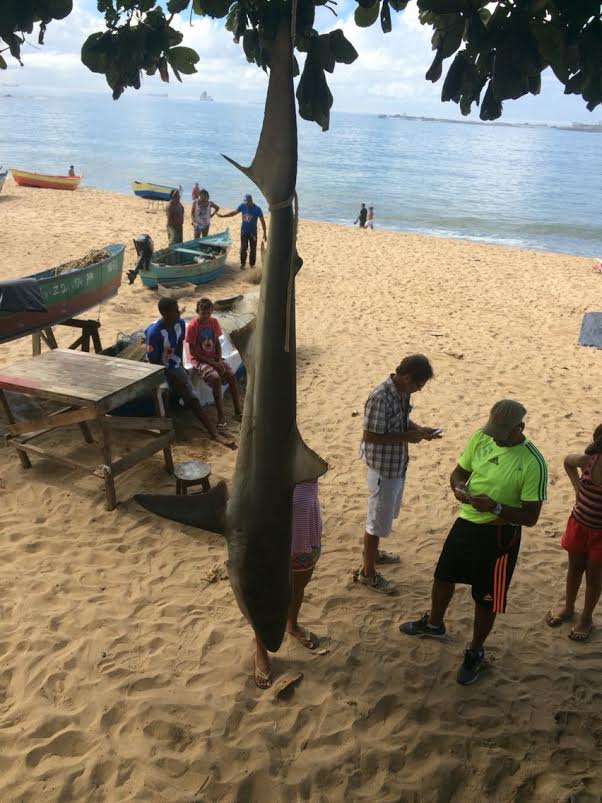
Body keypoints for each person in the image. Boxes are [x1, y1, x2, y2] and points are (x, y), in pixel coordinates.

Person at [400, 400, 548, 686]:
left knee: (487, 596)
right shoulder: (482, 437)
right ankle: (434, 623)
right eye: (493, 431)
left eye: (502, 433)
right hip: (466, 522)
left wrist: (495, 508)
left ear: (520, 428)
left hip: (500, 536)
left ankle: (476, 649)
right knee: (443, 576)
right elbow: (459, 472)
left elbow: (530, 517)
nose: (495, 437)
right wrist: (457, 488)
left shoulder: (533, 462)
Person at [356, 354, 441, 594]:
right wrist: (407, 437)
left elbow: (399, 420)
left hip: (397, 464)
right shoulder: (380, 397)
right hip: (383, 467)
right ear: (405, 377)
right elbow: (370, 436)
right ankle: (368, 573)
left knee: (382, 518)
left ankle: (372, 555)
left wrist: (419, 429)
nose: (418, 390)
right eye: (417, 385)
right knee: (376, 522)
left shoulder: (402, 392)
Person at [254, 480, 323, 689]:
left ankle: (291, 625)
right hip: (270, 536)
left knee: (298, 588)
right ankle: (261, 648)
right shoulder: (262, 450)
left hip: (305, 531)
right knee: (266, 597)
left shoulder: (303, 449)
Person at [145, 297, 235, 448]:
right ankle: (166, 427)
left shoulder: (180, 324)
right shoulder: (155, 334)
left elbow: (179, 346)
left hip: (173, 364)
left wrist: (179, 366)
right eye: (175, 310)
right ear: (164, 313)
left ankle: (213, 433)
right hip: (158, 368)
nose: (178, 312)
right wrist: (169, 375)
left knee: (192, 397)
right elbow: (154, 362)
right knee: (164, 392)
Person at [546, 425, 602, 642]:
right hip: (579, 524)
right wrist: (577, 488)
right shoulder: (588, 461)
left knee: (594, 577)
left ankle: (586, 618)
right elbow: (568, 461)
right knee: (575, 569)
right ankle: (569, 608)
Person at [185, 297, 243, 428]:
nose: (206, 316)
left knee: (231, 375)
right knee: (216, 378)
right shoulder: (193, 326)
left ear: (211, 311)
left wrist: (218, 359)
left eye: (208, 313)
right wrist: (213, 364)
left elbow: (217, 342)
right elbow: (193, 353)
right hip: (200, 360)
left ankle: (238, 411)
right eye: (203, 313)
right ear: (197, 311)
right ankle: (221, 417)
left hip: (214, 358)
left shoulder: (214, 322)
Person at [217, 193, 266, 270]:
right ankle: (243, 264)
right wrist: (223, 216)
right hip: (244, 232)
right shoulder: (242, 206)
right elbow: (233, 213)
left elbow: (262, 221)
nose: (246, 204)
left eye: (247, 202)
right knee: (243, 249)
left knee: (253, 250)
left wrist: (264, 233)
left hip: (253, 233)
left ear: (251, 200)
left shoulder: (257, 209)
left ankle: (252, 265)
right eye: (245, 202)